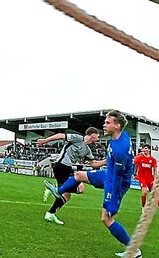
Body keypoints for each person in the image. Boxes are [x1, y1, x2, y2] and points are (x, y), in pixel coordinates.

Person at [44, 110, 139, 257]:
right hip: (109, 174)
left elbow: (119, 178)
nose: (104, 125)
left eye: (108, 122)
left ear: (117, 125)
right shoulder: (122, 136)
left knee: (106, 218)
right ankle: (60, 191)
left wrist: (113, 201)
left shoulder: (120, 150)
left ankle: (134, 251)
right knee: (79, 175)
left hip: (115, 182)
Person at [38, 127, 103, 225]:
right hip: (61, 165)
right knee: (80, 188)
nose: (98, 139)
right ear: (92, 134)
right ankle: (55, 191)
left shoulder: (87, 150)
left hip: (67, 168)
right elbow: (60, 136)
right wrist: (45, 141)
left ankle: (50, 213)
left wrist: (107, 161)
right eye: (98, 136)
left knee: (67, 195)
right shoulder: (78, 138)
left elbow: (93, 164)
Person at [133, 144, 159, 218]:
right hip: (142, 178)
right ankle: (143, 209)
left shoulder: (152, 159)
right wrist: (135, 173)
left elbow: (155, 169)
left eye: (146, 148)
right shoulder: (139, 157)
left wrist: (155, 179)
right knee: (144, 193)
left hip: (150, 179)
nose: (144, 150)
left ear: (149, 150)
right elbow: (134, 163)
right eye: (143, 149)